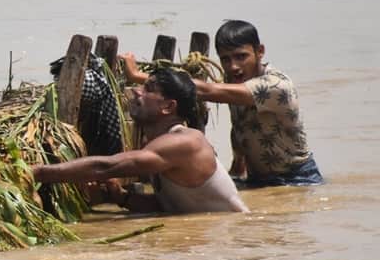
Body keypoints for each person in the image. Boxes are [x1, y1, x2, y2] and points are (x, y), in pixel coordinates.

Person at [120, 20, 323, 187]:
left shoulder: (275, 85)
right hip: (258, 179)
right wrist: (237, 168)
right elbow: (242, 126)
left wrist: (138, 75)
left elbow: (207, 90)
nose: (233, 66)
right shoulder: (235, 81)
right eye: (225, 59)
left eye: (241, 56)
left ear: (259, 51)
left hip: (297, 179)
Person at [32, 67, 248, 214]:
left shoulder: (186, 142)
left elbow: (106, 166)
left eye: (149, 89)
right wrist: (121, 198)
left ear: (168, 107)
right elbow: (170, 206)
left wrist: (37, 173)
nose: (136, 91)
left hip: (230, 238)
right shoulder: (160, 143)